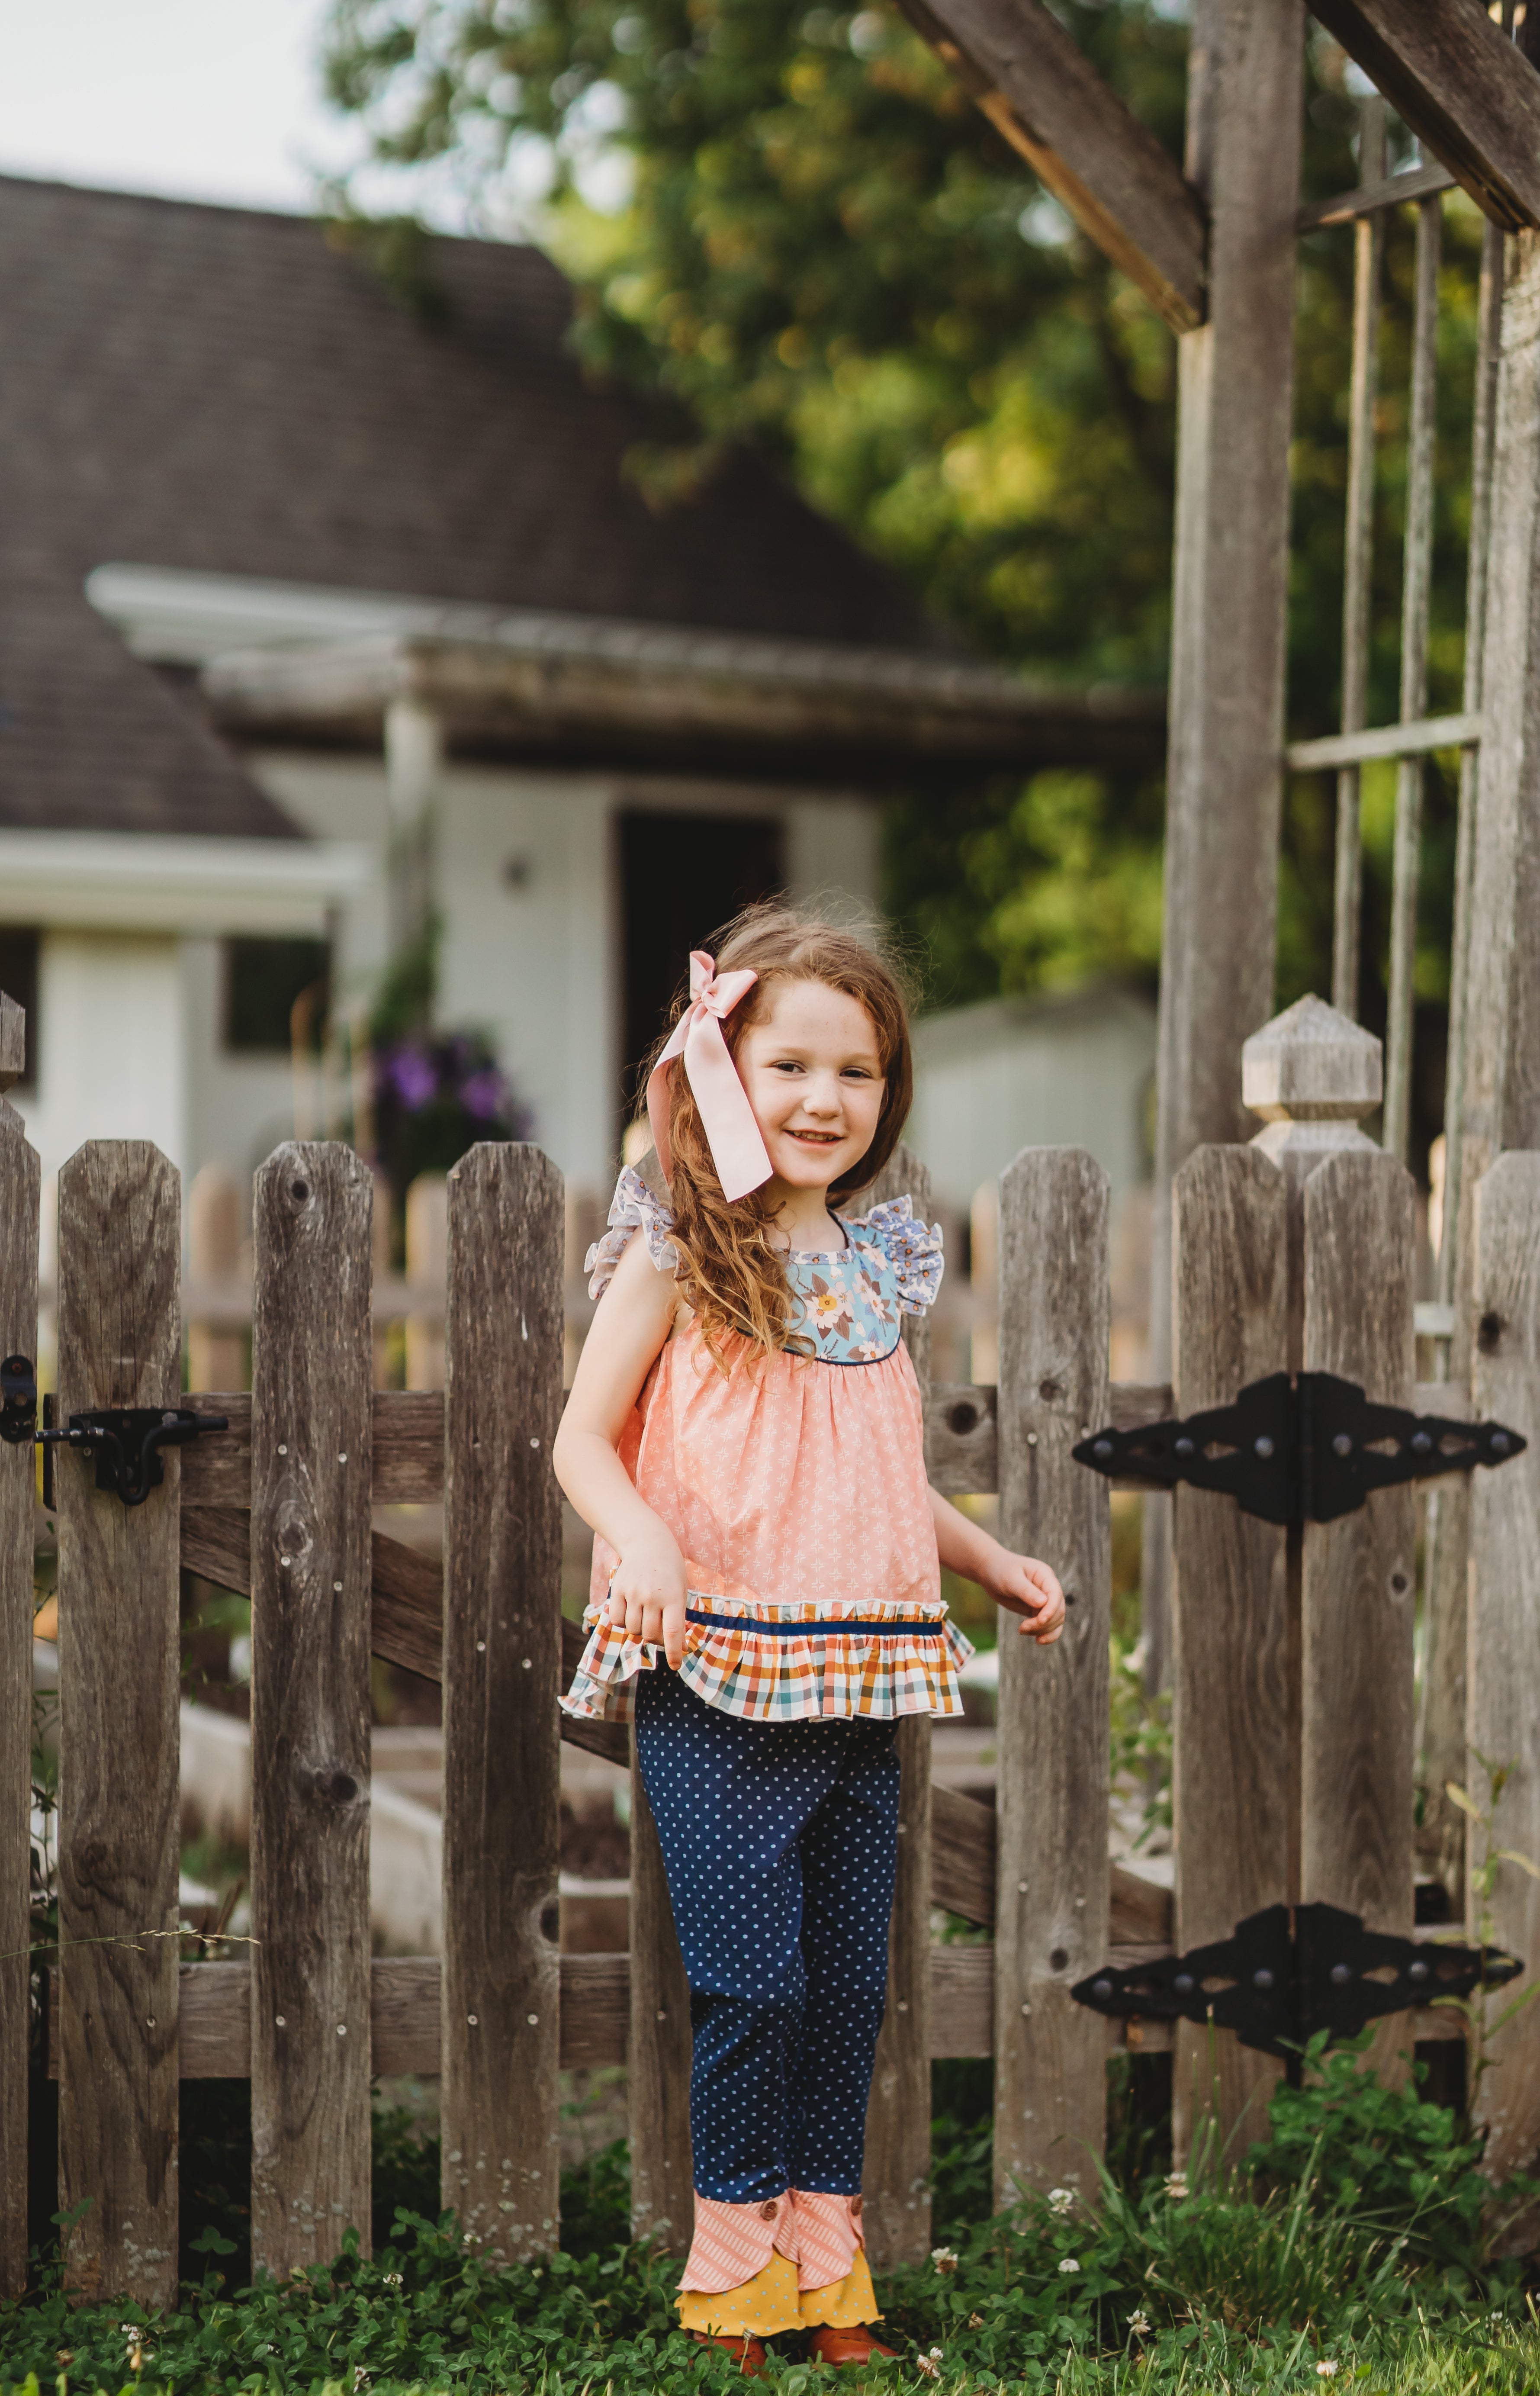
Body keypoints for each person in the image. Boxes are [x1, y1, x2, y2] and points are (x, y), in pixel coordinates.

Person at [554, 906, 1065, 2375]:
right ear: (721, 1066)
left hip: (863, 1673)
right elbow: (584, 1439)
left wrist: (988, 1557)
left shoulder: (880, 1259)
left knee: (848, 1992)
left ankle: (828, 2278)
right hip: (716, 1666)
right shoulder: (679, 1246)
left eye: (858, 1073)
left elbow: (872, 1471)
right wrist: (642, 1537)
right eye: (789, 1065)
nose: (825, 1101)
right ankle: (730, 2286)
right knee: (752, 1983)